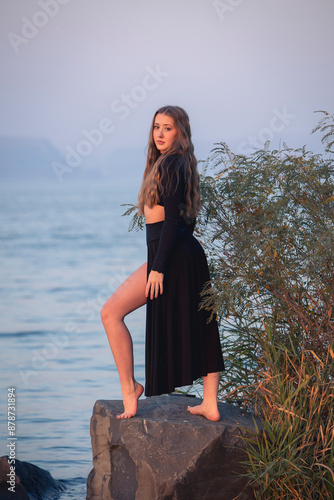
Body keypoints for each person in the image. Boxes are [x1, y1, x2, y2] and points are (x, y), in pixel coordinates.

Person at [101, 105, 224, 421]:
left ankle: (130, 389)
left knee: (110, 312)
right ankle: (209, 401)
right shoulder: (177, 164)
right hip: (181, 252)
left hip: (170, 255)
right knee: (203, 324)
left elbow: (171, 222)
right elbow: (187, 218)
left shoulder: (171, 164)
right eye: (157, 126)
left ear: (180, 132)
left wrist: (158, 267)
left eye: (167, 127)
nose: (159, 133)